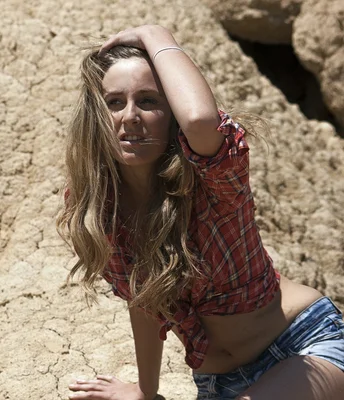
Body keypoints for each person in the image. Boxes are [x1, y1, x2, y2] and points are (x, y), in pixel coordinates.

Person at [56, 25, 344, 400]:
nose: (130, 116)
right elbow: (144, 299)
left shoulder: (213, 182)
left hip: (302, 348)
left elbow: (200, 121)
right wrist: (147, 390)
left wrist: (157, 37)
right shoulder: (101, 208)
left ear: (172, 112)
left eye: (148, 101)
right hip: (219, 384)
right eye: (114, 102)